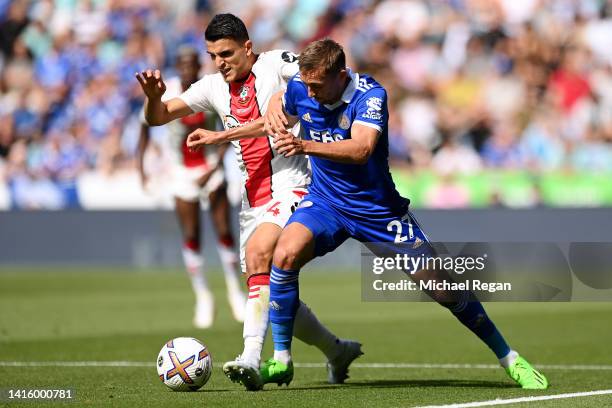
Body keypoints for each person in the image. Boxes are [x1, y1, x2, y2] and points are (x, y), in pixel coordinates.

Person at [261, 38, 549, 390]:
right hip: (327, 201)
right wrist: (267, 107)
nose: (309, 91)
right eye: (305, 84)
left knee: (442, 289)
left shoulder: (370, 96)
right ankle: (281, 359)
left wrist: (305, 144)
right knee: (285, 254)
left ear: (340, 74)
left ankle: (509, 358)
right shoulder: (301, 87)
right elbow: (283, 108)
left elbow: (362, 148)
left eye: (316, 85)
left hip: (378, 211)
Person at [136, 14, 361, 391]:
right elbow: (158, 117)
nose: (219, 62)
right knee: (272, 288)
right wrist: (153, 98)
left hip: (295, 184)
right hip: (253, 200)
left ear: (247, 47)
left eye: (225, 53)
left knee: (260, 255)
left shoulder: (276, 64)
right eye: (213, 55)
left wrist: (281, 97)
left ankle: (251, 358)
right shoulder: (211, 87)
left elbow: (324, 73)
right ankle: (337, 350)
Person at [137, 46, 245, 329]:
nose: (187, 69)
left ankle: (236, 292)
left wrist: (213, 169)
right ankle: (203, 297)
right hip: (181, 173)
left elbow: (228, 131)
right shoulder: (166, 90)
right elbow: (145, 125)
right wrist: (141, 169)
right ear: (176, 66)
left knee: (224, 232)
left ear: (198, 66)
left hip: (211, 169)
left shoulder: (211, 87)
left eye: (191, 64)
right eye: (182, 64)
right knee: (192, 235)